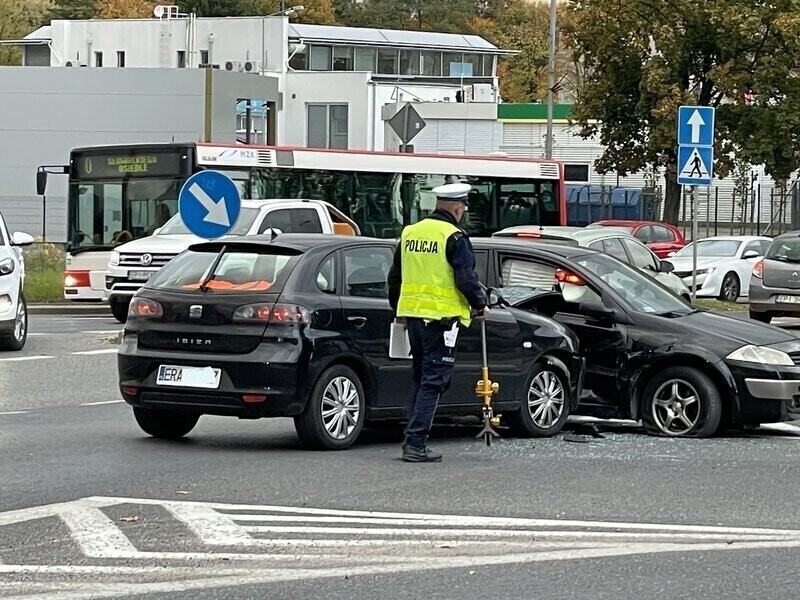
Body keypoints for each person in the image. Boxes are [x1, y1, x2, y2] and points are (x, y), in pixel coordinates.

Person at [388, 182, 489, 463]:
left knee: (420, 378)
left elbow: (394, 277)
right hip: (441, 320)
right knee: (433, 381)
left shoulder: (410, 233)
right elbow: (466, 278)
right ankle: (416, 444)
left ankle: (411, 437)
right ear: (458, 208)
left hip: (414, 318)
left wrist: (397, 309)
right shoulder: (454, 236)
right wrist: (480, 304)